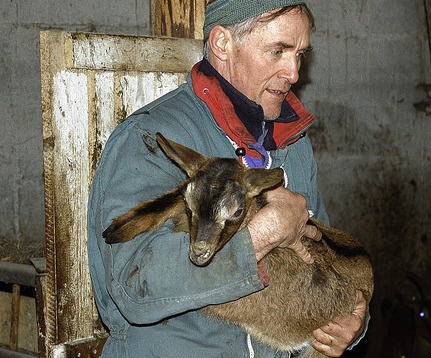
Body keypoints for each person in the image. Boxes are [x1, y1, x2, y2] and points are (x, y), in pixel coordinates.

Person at [87, 0, 369, 356]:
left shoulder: (292, 144)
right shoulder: (151, 139)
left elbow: (323, 255)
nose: (294, 72)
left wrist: (350, 322)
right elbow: (132, 289)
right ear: (222, 44)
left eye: (300, 54)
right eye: (278, 51)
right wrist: (261, 235)